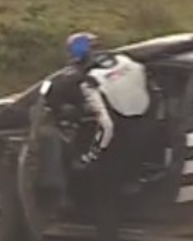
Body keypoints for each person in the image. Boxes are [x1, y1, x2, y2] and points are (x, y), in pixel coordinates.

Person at [39, 31, 159, 241]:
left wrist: (89, 159)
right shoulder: (128, 62)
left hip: (120, 140)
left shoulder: (89, 81)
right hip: (148, 133)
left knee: (105, 197)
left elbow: (107, 126)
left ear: (77, 56)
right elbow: (153, 92)